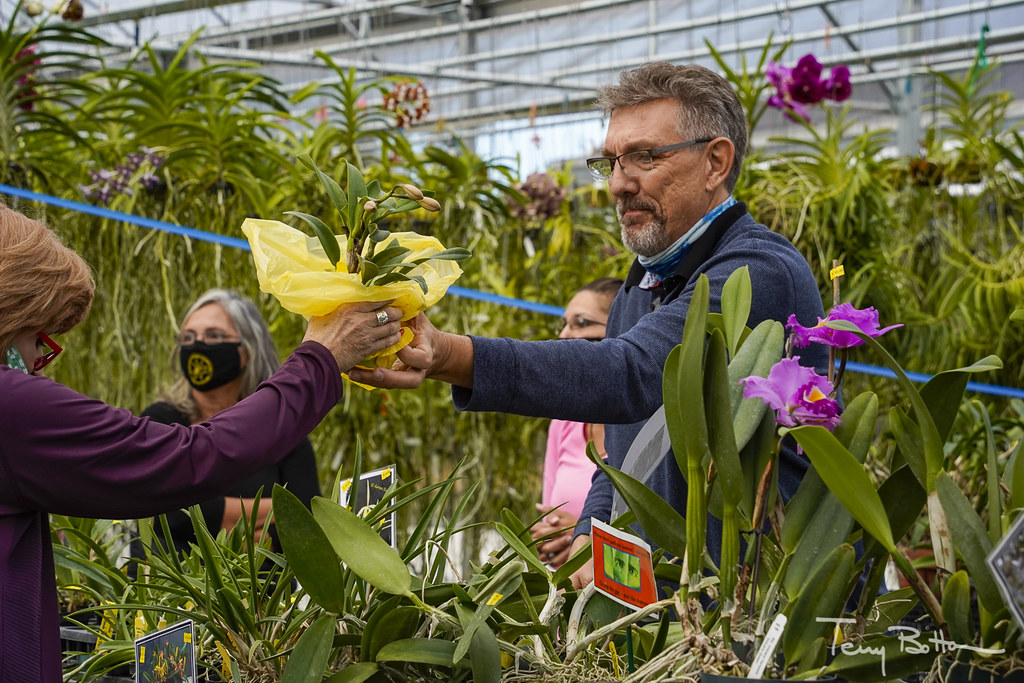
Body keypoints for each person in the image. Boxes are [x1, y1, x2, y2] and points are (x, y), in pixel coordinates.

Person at [349, 62, 829, 591]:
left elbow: (634, 375)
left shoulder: (756, 272)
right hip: (665, 610)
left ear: (715, 162)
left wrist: (450, 355)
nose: (619, 185)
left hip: (754, 607)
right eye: (611, 162)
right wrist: (590, 525)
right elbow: (619, 442)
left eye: (645, 156)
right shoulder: (641, 286)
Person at [0, 202, 403, 682]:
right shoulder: (12, 406)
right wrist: (323, 356)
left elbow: (302, 520)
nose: (37, 357)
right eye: (35, 336)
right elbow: (191, 465)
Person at [136, 289, 320, 560]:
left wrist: (203, 519)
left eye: (213, 336)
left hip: (264, 599)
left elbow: (307, 522)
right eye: (188, 337)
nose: (198, 345)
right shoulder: (161, 422)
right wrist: (274, 512)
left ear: (247, 351)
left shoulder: (284, 432)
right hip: (169, 595)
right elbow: (164, 512)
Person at [531, 277, 622, 568]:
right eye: (564, 324)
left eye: (581, 323)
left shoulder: (651, 426)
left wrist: (584, 535)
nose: (564, 335)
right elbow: (548, 522)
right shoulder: (565, 421)